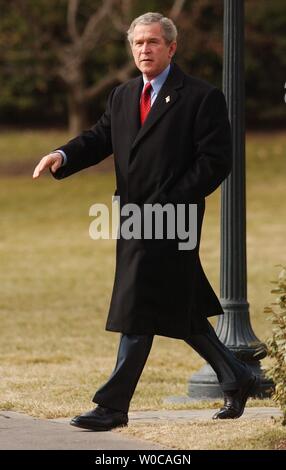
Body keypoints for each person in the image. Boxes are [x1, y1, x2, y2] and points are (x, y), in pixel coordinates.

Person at [33, 12, 257, 431]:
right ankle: (237, 376)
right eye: (138, 43)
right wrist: (62, 155)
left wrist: (172, 199)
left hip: (174, 220)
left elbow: (215, 161)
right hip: (134, 218)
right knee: (180, 308)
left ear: (171, 48)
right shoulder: (122, 95)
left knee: (137, 305)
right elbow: (101, 137)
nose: (144, 50)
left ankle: (113, 406)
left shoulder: (200, 97)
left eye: (153, 42)